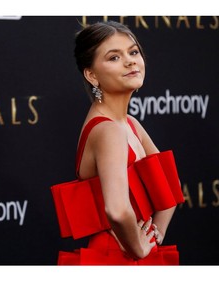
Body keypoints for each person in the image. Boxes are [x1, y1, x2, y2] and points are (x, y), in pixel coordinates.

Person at [51, 21, 184, 265]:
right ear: (91, 75)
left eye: (133, 52)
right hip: (115, 257)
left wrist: (155, 235)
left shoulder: (130, 123)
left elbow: (170, 185)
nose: (130, 61)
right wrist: (139, 247)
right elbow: (117, 209)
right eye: (114, 57)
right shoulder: (108, 130)